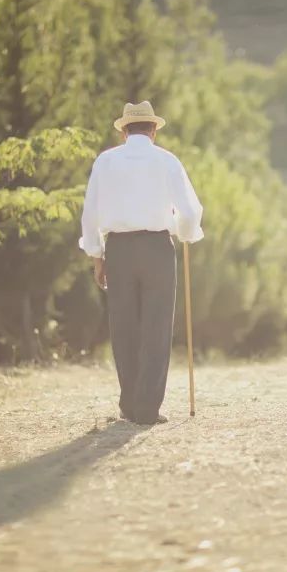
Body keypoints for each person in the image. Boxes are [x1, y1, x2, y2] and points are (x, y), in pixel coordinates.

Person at [79, 101, 204, 425]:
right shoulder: (167, 160)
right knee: (156, 327)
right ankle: (147, 409)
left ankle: (129, 405)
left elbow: (90, 214)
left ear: (124, 131)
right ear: (153, 131)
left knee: (123, 327)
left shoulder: (106, 161)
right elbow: (190, 212)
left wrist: (97, 257)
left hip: (118, 249)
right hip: (157, 249)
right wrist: (185, 234)